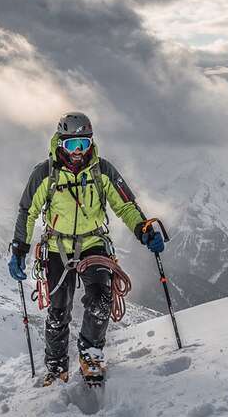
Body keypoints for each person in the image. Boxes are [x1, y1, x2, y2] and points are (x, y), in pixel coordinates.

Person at [9, 112, 166, 386]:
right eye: (72, 145)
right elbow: (27, 212)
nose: (79, 151)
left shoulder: (102, 171)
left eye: (84, 143)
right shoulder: (44, 173)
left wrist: (143, 229)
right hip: (58, 246)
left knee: (100, 299)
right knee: (58, 310)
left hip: (93, 242)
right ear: (60, 143)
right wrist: (19, 249)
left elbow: (125, 205)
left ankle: (91, 352)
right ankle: (56, 366)